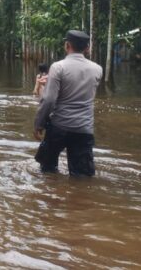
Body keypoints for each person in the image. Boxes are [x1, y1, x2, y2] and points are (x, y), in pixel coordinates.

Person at [34, 30, 102, 177]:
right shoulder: (97, 69)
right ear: (87, 48)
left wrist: (38, 124)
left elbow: (49, 100)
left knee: (47, 171)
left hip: (59, 127)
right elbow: (85, 92)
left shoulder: (58, 67)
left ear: (67, 45)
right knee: (82, 176)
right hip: (84, 129)